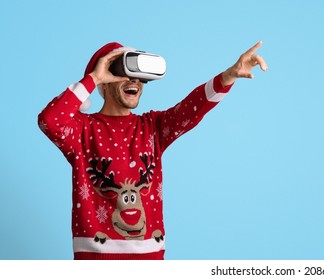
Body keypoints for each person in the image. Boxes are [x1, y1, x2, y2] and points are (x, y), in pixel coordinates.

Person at [38, 41, 267, 260]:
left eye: (140, 77)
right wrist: (93, 78)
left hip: (150, 259)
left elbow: (191, 109)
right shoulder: (81, 130)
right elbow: (49, 120)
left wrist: (229, 75)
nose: (135, 82)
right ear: (105, 83)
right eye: (125, 74)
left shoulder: (152, 128)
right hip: (94, 259)